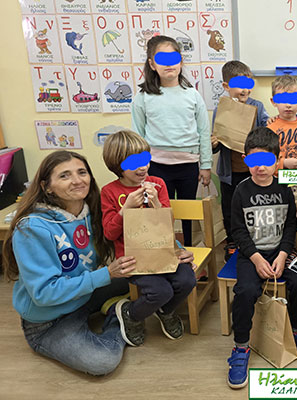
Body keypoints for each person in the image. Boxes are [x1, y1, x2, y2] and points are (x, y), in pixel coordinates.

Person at [2, 151, 136, 375]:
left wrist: (175, 251)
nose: (77, 180)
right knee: (102, 362)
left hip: (84, 297)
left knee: (139, 272)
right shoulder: (32, 228)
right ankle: (119, 318)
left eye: (82, 172)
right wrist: (106, 274)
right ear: (46, 187)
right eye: (64, 175)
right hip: (49, 321)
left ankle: (116, 309)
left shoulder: (92, 212)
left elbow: (135, 235)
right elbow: (44, 294)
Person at [227, 127, 297, 389]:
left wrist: (282, 254)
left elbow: (290, 227)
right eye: (254, 160)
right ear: (245, 160)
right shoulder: (240, 191)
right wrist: (257, 259)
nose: (260, 167)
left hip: (283, 251)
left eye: (267, 160)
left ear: (277, 160)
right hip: (251, 254)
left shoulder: (285, 190)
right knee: (245, 291)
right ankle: (241, 346)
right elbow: (238, 231)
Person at [101, 130, 197, 347]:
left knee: (187, 280)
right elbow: (109, 233)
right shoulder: (109, 192)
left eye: (145, 159)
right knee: (161, 291)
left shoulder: (157, 183)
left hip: (163, 250)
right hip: (133, 259)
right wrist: (125, 209)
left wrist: (156, 204)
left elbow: (167, 224)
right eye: (133, 163)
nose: (142, 167)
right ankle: (131, 314)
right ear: (117, 165)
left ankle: (165, 311)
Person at [131, 35, 212, 247]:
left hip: (188, 166)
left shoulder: (192, 95)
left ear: (181, 61)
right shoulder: (143, 97)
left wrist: (205, 165)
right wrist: (140, 167)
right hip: (157, 166)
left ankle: (190, 251)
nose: (169, 64)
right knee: (159, 212)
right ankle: (163, 251)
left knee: (188, 213)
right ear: (152, 64)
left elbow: (204, 132)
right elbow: (138, 136)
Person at [211, 60, 269, 261]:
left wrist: (269, 124)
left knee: (253, 208)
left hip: (253, 171)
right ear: (226, 86)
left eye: (248, 85)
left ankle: (256, 241)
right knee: (230, 210)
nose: (245, 90)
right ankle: (232, 242)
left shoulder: (257, 107)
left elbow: (267, 134)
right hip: (230, 173)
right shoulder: (222, 109)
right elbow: (216, 143)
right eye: (239, 85)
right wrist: (214, 143)